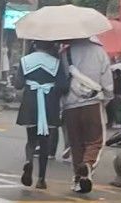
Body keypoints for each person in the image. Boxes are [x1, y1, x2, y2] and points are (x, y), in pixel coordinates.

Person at [62, 36, 114, 194]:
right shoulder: (99, 52)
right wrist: (108, 97)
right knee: (95, 141)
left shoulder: (64, 53)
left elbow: (61, 81)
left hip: (70, 105)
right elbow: (107, 80)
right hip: (92, 103)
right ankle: (87, 164)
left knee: (76, 144)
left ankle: (78, 179)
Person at [14, 41, 69, 190]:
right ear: (51, 46)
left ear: (35, 45)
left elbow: (18, 84)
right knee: (45, 142)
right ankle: (41, 179)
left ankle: (28, 160)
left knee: (31, 140)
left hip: (30, 102)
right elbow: (64, 86)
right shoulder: (56, 63)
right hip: (48, 103)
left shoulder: (25, 60)